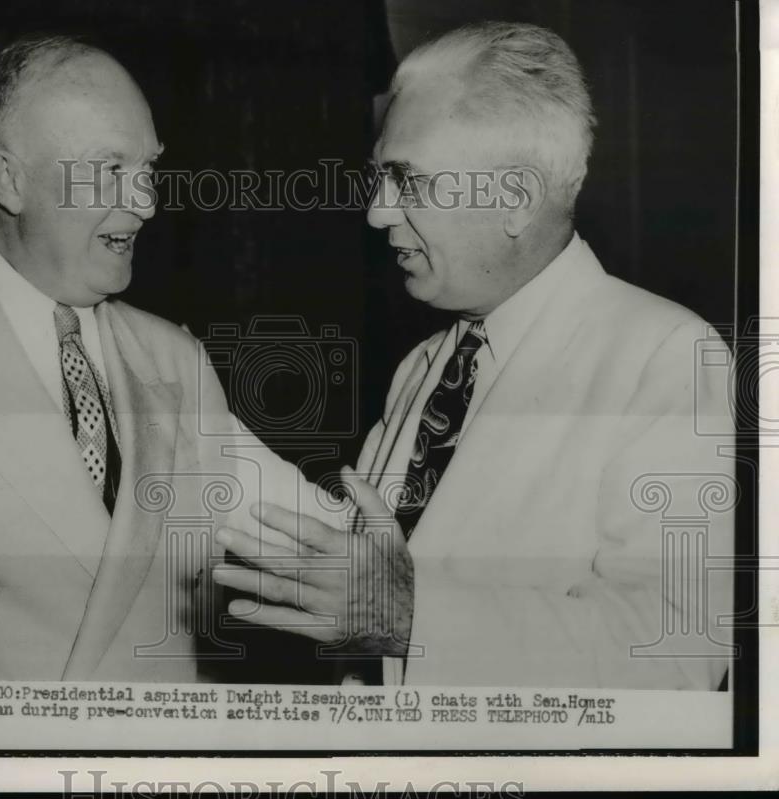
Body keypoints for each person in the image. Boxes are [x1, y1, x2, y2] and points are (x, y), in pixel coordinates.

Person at [0, 33, 344, 681]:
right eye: (110, 170)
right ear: (9, 180)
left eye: (148, 170)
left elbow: (316, 535)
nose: (145, 204)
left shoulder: (171, 355)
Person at [213, 21, 735, 689]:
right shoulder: (428, 362)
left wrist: (410, 615)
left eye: (407, 180)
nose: (376, 212)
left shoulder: (665, 355)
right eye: (380, 179)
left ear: (513, 198)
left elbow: (674, 655)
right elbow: (374, 560)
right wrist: (182, 409)